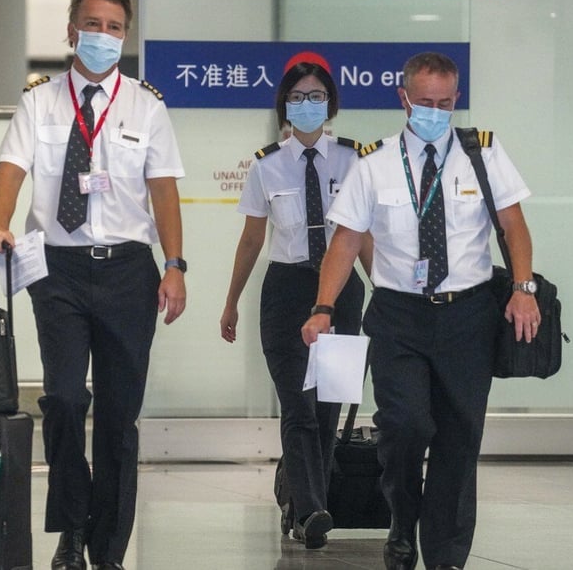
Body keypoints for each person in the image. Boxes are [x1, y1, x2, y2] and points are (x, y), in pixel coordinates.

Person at [301, 52, 541, 570]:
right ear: (403, 98)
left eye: (445, 103)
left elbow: (514, 224)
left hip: (468, 314)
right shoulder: (376, 163)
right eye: (425, 102)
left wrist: (523, 287)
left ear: (456, 99)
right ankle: (401, 520)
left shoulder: (484, 155)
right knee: (405, 427)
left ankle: (447, 554)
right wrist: (323, 307)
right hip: (398, 316)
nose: (435, 111)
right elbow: (345, 243)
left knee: (459, 436)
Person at [0, 0, 186, 570]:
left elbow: (165, 191)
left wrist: (174, 265)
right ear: (71, 31)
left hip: (128, 272)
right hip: (59, 270)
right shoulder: (40, 103)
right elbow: (9, 171)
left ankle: (109, 547)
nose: (104, 36)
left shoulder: (146, 107)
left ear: (126, 36)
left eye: (115, 27)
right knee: (67, 400)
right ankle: (70, 530)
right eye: (93, 24)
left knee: (120, 416)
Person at [219, 54, 371, 550]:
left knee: (328, 406)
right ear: (285, 104)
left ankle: (301, 497)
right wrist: (230, 302)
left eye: (317, 97)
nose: (307, 105)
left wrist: (387, 296)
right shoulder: (266, 164)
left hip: (342, 291)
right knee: (298, 406)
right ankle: (311, 511)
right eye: (298, 96)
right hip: (285, 291)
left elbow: (364, 238)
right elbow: (250, 240)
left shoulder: (354, 159)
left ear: (331, 104)